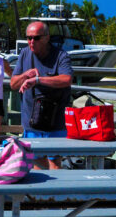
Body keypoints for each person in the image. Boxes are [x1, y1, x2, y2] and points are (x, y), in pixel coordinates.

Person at [10, 21, 73, 170]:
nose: (32, 42)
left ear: (47, 37)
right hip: (32, 122)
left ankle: (55, 193)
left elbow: (67, 79)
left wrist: (38, 80)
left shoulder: (61, 55)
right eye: (29, 38)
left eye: (36, 38)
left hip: (55, 121)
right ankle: (40, 194)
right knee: (36, 162)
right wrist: (26, 74)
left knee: (54, 164)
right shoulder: (25, 53)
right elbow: (13, 84)